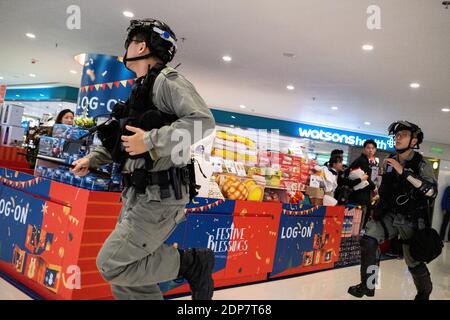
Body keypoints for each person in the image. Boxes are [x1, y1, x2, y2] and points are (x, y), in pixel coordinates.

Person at [71, 18, 216, 300]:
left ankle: (190, 263)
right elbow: (127, 141)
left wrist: (150, 140)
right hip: (137, 195)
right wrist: (94, 159)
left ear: (141, 46)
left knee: (111, 263)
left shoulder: (167, 81)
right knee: (127, 280)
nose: (125, 49)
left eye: (129, 43)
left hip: (159, 198)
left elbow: (203, 123)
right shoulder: (142, 87)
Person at [347, 121, 438, 300]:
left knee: (413, 261)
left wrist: (404, 172)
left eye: (403, 134)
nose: (398, 138)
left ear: (414, 141)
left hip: (412, 218)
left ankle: (424, 293)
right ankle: (368, 285)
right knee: (369, 240)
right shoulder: (390, 160)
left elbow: (432, 192)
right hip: (390, 214)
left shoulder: (421, 163)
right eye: (396, 135)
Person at [345, 140, 377, 227]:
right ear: (364, 149)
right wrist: (374, 187)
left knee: (357, 221)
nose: (370, 150)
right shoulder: (362, 161)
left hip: (362, 194)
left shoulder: (367, 161)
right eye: (368, 148)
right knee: (357, 222)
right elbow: (366, 178)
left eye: (372, 148)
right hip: (359, 196)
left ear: (375, 150)